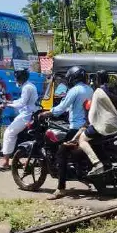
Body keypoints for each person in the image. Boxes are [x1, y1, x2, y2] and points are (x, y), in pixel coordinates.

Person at [40, 66, 93, 199]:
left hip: (76, 127)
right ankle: (80, 172)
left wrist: (48, 112)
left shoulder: (74, 90)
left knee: (61, 154)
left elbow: (62, 108)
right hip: (87, 126)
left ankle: (61, 188)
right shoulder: (89, 89)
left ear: (73, 77)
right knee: (73, 152)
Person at [67, 79, 117, 179]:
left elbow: (87, 122)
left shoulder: (96, 99)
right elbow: (83, 128)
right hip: (115, 125)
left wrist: (74, 139)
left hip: (101, 126)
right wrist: (72, 140)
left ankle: (97, 163)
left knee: (82, 140)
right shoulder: (112, 95)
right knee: (89, 137)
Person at [1, 69, 40, 169]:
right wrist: (11, 102)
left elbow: (22, 103)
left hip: (27, 115)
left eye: (16, 78)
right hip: (29, 113)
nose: (15, 80)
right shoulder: (29, 85)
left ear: (19, 78)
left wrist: (8, 104)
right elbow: (22, 101)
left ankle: (5, 161)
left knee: (9, 133)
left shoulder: (27, 87)